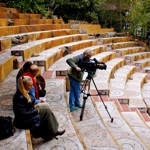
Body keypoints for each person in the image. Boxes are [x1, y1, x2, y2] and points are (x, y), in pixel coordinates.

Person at [13, 76, 65, 141]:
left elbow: (30, 104)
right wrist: (36, 111)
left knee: (46, 108)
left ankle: (54, 130)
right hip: (24, 121)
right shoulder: (19, 97)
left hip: (30, 112)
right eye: (30, 85)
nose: (32, 87)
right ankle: (50, 134)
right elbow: (22, 114)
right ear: (24, 86)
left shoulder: (24, 92)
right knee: (46, 111)